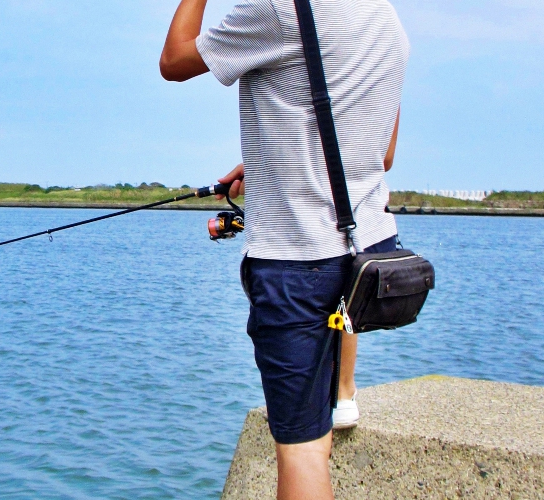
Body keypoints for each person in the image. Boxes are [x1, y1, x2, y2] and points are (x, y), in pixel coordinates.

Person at [160, 0, 408, 498]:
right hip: (368, 250)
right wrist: (270, 162)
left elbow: (174, 61)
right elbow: (379, 153)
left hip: (297, 262)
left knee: (302, 449)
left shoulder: (277, 9)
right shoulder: (385, 17)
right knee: (320, 426)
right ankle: (344, 397)